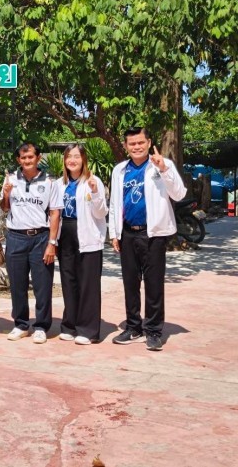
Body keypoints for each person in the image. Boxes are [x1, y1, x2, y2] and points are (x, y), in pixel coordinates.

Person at [109, 127, 186, 351]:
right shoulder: (119, 170)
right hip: (127, 233)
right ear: (126, 146)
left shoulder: (162, 165)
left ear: (149, 142)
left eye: (141, 142)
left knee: (153, 284)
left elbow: (179, 194)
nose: (137, 147)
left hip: (153, 234)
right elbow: (115, 203)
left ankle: (153, 331)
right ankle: (133, 327)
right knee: (130, 283)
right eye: (132, 143)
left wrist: (164, 170)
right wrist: (114, 233)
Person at [0, 142, 63, 344]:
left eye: (30, 157)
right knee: (17, 284)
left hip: (41, 237)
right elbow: (4, 207)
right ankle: (20, 324)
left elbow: (55, 213)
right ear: (18, 160)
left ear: (38, 158)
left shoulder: (50, 182)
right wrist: (6, 194)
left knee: (42, 285)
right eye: (23, 157)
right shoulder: (10, 179)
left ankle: (41, 326)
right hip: (15, 237)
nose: (27, 161)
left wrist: (52, 242)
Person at [57, 144, 108, 345]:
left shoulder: (93, 181)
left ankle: (88, 329)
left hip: (87, 235)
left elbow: (101, 212)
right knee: (69, 280)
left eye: (77, 156)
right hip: (65, 234)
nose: (72, 160)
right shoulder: (59, 183)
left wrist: (95, 192)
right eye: (69, 156)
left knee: (88, 283)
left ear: (84, 159)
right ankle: (69, 325)